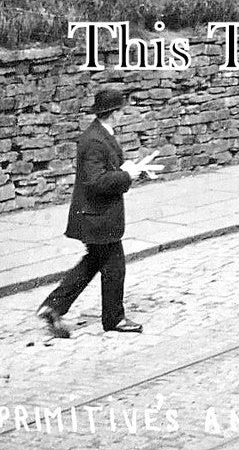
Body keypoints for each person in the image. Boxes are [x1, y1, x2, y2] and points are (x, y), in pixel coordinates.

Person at [36, 87, 161, 338]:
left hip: (96, 216)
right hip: (97, 216)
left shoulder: (99, 134)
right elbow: (95, 181)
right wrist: (127, 175)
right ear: (114, 113)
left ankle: (54, 306)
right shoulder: (94, 139)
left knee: (93, 262)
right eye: (121, 111)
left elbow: (105, 169)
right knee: (114, 266)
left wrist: (129, 169)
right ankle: (113, 318)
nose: (123, 114)